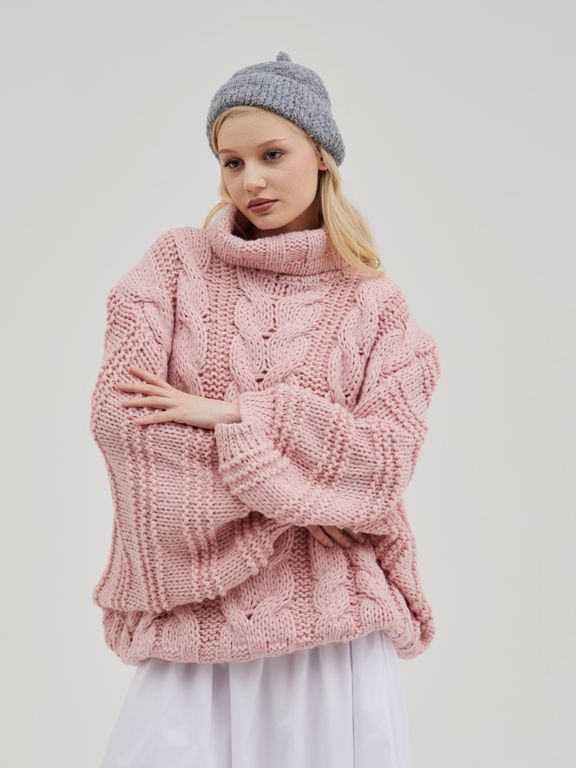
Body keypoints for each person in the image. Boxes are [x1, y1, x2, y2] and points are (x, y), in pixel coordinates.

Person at [93, 51, 441, 768]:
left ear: (322, 155)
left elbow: (383, 465)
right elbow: (124, 425)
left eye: (272, 154)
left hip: (335, 641)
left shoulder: (379, 307)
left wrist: (230, 416)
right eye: (231, 161)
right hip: (192, 636)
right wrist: (310, 498)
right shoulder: (174, 267)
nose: (249, 179)